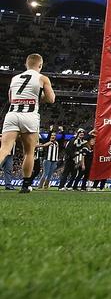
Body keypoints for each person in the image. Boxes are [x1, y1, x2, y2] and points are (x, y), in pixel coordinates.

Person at [1, 54, 57, 194]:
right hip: (30, 115)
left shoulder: (15, 78)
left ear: (26, 64)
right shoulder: (43, 78)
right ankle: (25, 185)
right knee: (29, 152)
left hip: (12, 113)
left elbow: (10, 98)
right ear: (40, 65)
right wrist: (38, 97)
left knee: (4, 149)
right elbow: (51, 99)